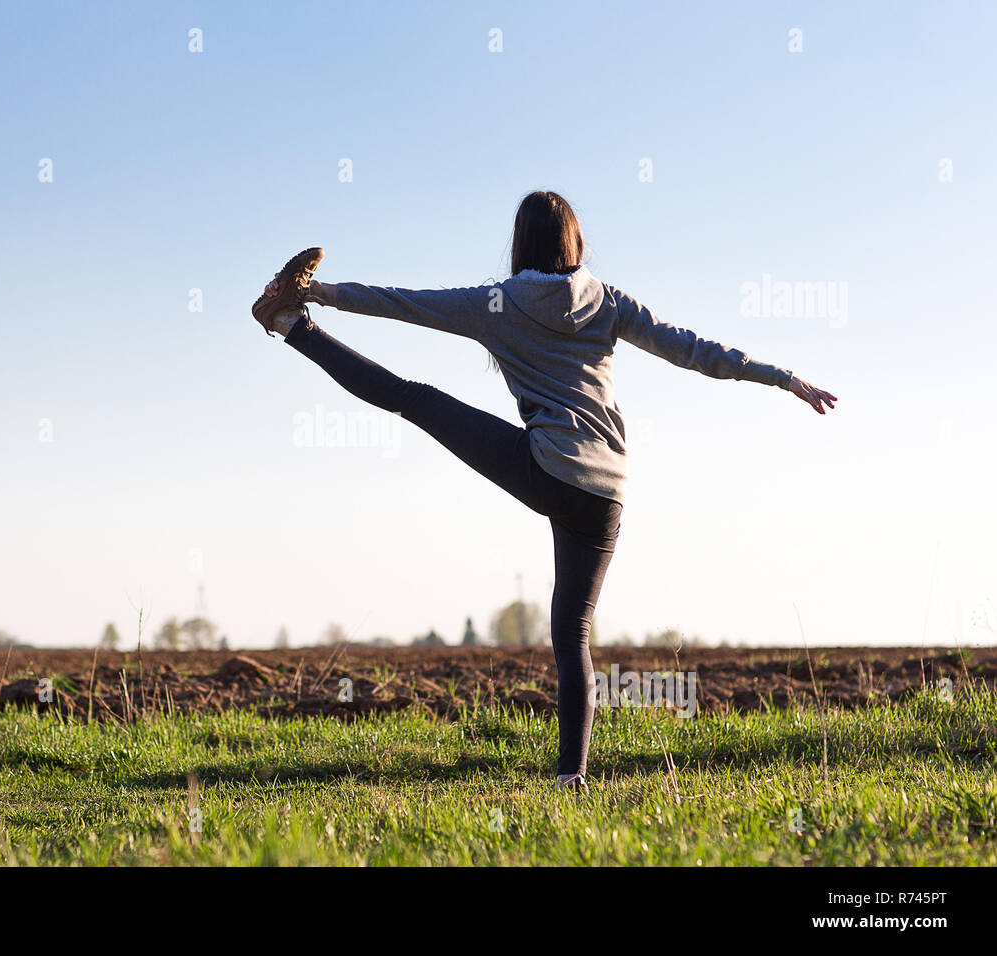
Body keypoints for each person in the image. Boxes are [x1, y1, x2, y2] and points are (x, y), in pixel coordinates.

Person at [252, 190, 838, 790]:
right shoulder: (609, 302)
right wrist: (783, 377)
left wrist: (320, 292)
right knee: (573, 633)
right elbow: (693, 350)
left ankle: (289, 323)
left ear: (520, 243)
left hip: (548, 470)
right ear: (575, 240)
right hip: (607, 492)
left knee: (413, 398)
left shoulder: (497, 303)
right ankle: (571, 776)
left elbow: (406, 303)